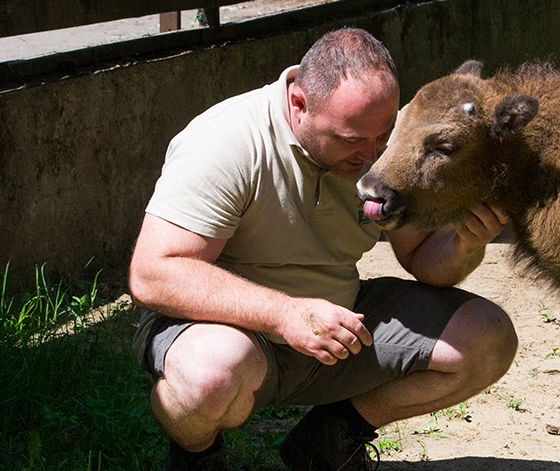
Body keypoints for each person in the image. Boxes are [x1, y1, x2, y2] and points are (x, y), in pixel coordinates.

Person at [129, 28, 518, 470]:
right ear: (299, 103)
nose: (371, 155)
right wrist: (285, 313)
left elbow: (426, 261)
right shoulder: (225, 142)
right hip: (227, 336)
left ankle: (328, 439)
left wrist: (464, 243)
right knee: (212, 375)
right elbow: (153, 273)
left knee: (486, 338)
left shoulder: (377, 145)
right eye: (352, 140)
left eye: (382, 134)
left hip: (334, 333)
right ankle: (196, 456)